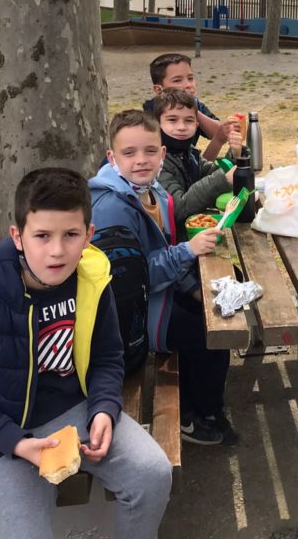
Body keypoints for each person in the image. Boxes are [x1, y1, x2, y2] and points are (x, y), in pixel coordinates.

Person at [0, 168, 172, 538]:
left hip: (74, 412)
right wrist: (17, 443)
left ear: (88, 235)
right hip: (2, 433)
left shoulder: (92, 281)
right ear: (18, 236)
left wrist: (104, 409)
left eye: (71, 235)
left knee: (152, 473)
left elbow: (107, 358)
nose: (57, 251)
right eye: (42, 236)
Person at [89, 110, 237, 446]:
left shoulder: (156, 191)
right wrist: (187, 251)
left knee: (216, 313)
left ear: (162, 153)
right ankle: (193, 417)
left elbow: (163, 250)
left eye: (150, 151)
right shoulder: (111, 208)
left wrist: (192, 287)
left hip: (161, 291)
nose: (141, 160)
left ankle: (207, 406)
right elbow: (130, 281)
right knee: (206, 334)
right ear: (112, 157)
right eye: (129, 153)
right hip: (130, 319)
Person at [154, 88, 242, 228]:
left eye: (189, 120)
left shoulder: (188, 153)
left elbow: (213, 172)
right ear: (157, 124)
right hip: (173, 239)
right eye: (172, 120)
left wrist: (235, 155)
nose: (182, 127)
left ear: (196, 125)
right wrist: (223, 178)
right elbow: (178, 208)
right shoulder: (156, 162)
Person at [145, 52, 231, 160]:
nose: (188, 85)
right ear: (158, 90)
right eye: (177, 80)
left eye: (190, 78)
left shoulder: (195, 105)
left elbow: (219, 134)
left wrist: (192, 110)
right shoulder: (151, 115)